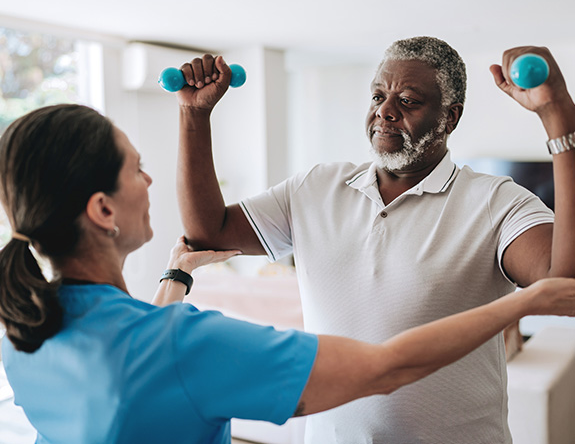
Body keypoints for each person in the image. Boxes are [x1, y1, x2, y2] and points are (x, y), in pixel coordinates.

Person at [0, 107, 574, 444]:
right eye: (137, 170)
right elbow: (387, 368)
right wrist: (519, 306)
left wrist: (177, 273)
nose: (150, 183)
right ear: (102, 210)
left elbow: (147, 360)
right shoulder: (180, 345)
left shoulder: (27, 329)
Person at [175, 38, 575, 443]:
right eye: (379, 95)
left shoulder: (494, 201)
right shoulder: (316, 187)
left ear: (449, 118)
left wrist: (558, 115)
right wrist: (194, 114)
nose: (385, 111)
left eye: (408, 100)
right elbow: (210, 232)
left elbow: (564, 284)